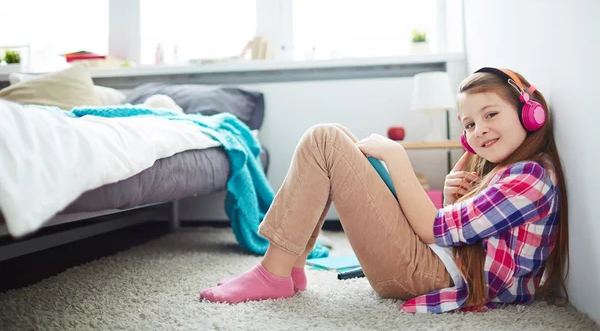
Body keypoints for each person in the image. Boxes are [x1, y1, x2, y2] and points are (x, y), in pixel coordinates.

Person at [200, 67, 569, 313]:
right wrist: (450, 192)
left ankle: (274, 273)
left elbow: (434, 229)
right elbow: (463, 233)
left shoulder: (530, 178)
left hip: (430, 274)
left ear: (529, 113)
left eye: (490, 115)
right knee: (336, 137)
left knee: (325, 139)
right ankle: (291, 267)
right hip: (441, 260)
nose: (478, 130)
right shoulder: (514, 170)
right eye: (469, 123)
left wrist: (396, 157)